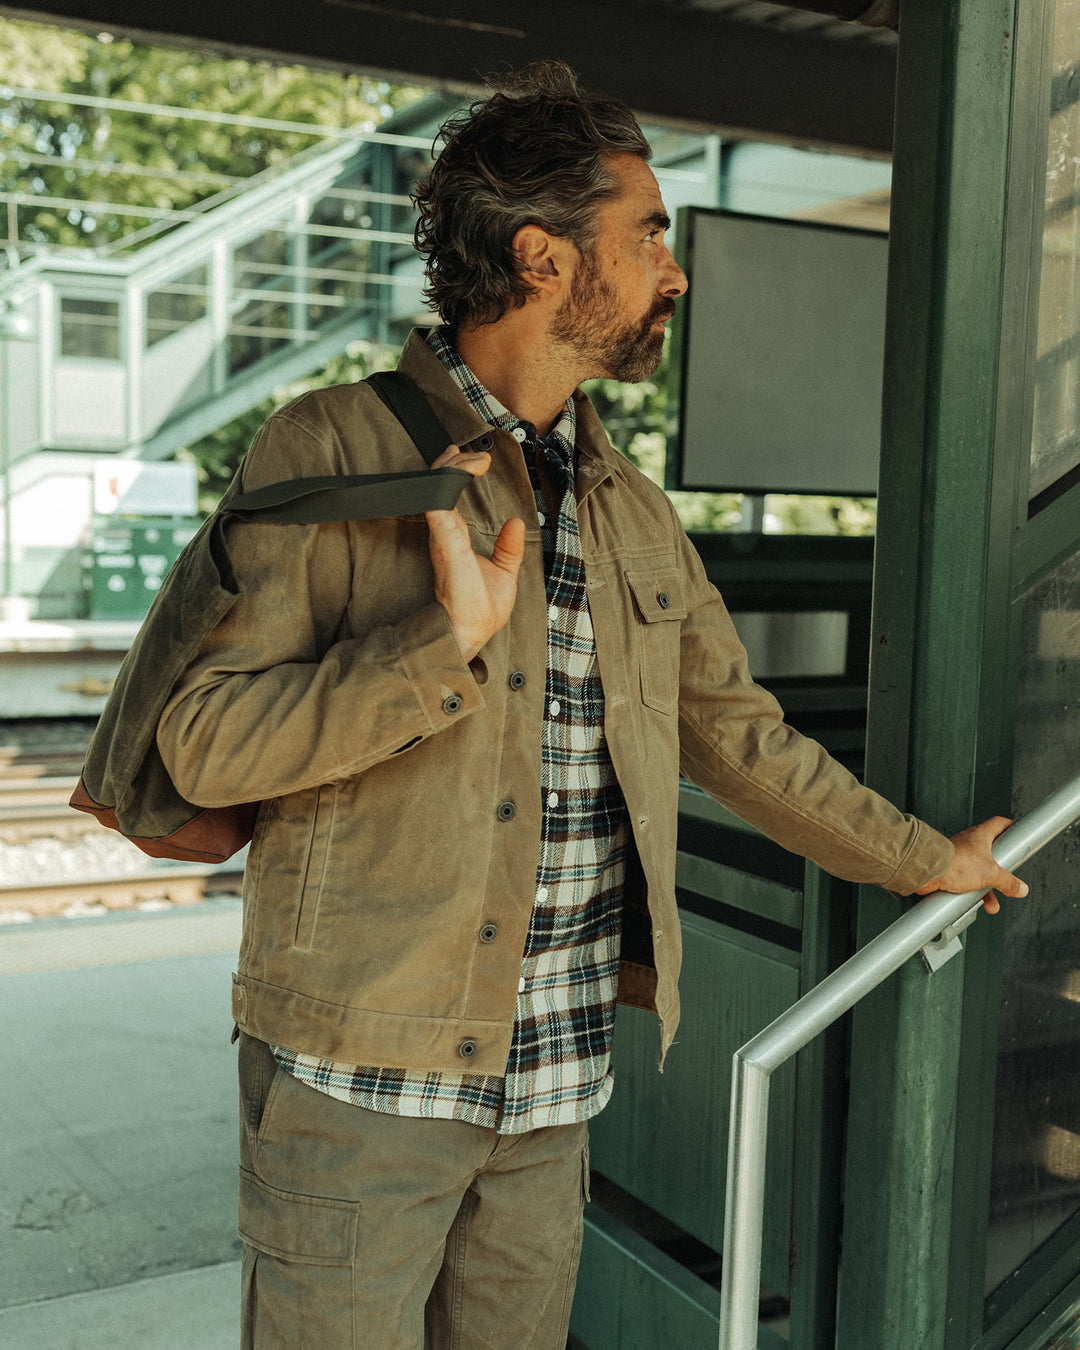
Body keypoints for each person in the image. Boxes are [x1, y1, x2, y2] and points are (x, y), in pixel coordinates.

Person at [155, 60, 1026, 1350]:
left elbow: (738, 738)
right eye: (649, 235)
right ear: (544, 258)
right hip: (360, 1083)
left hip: (551, 1092)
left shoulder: (627, 508)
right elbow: (207, 744)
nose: (674, 272)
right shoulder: (332, 449)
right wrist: (439, 639)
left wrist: (923, 862)